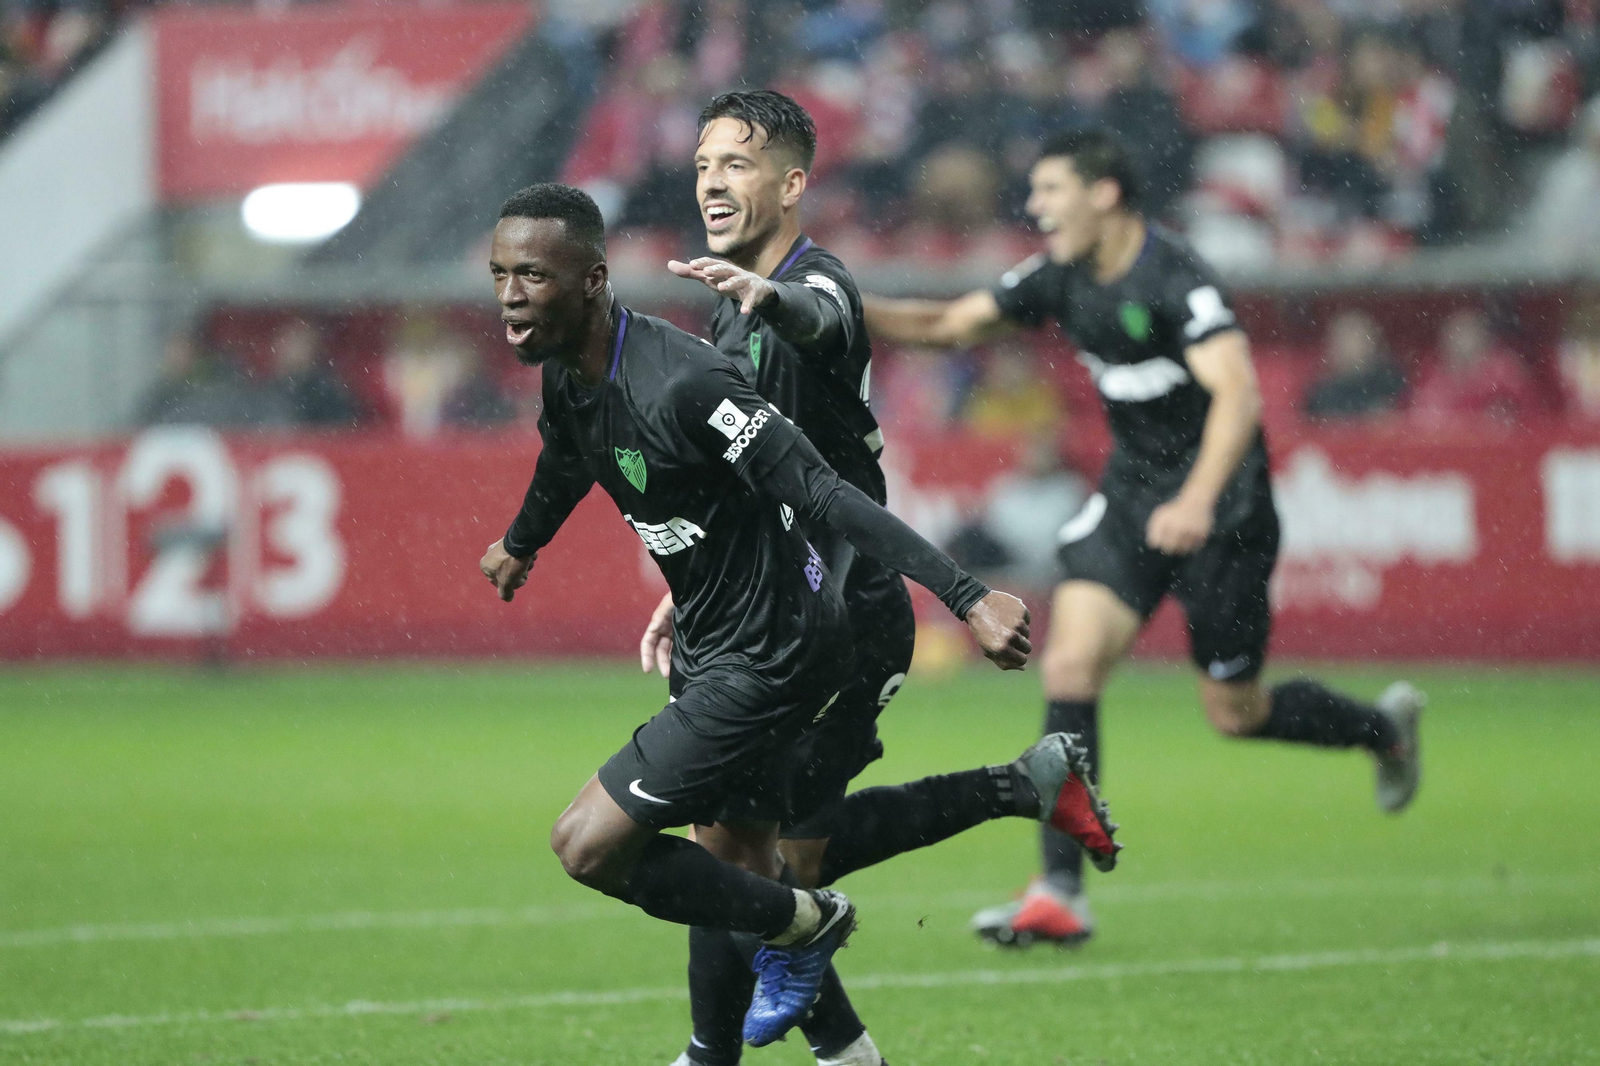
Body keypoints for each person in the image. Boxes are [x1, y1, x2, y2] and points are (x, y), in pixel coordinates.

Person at [475, 184, 1072, 1048]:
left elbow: (824, 492)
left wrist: (966, 595)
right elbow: (567, 457)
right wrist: (521, 542)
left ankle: (807, 923)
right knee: (737, 865)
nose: (510, 294)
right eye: (500, 273)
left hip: (773, 653)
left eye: (532, 274)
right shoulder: (570, 378)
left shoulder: (687, 382)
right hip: (716, 640)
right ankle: (827, 1044)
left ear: (593, 279)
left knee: (588, 845)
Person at [639, 91, 1118, 1066]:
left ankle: (723, 1055)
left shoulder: (815, 286)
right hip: (773, 605)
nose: (712, 184)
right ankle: (1020, 787)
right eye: (702, 166)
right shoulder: (730, 309)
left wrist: (773, 298)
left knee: (749, 857)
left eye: (736, 164)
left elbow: (821, 319)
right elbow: (755, 479)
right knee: (757, 852)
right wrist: (691, 579)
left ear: (791, 183)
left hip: (845, 617)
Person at [863, 129, 1426, 949]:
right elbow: (948, 323)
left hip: (1224, 512)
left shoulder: (1176, 278)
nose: (1036, 207)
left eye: (1051, 191)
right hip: (1131, 501)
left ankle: (1384, 731)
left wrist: (1197, 499)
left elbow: (1238, 394)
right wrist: (834, 302)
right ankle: (1060, 890)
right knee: (1069, 664)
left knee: (1235, 711)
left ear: (1104, 194)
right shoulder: (1059, 274)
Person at [1302, 309, 1407, 420]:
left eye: (1355, 338)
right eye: (1342, 340)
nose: (1348, 347)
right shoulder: (1322, 394)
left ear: (1371, 342)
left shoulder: (1389, 381)